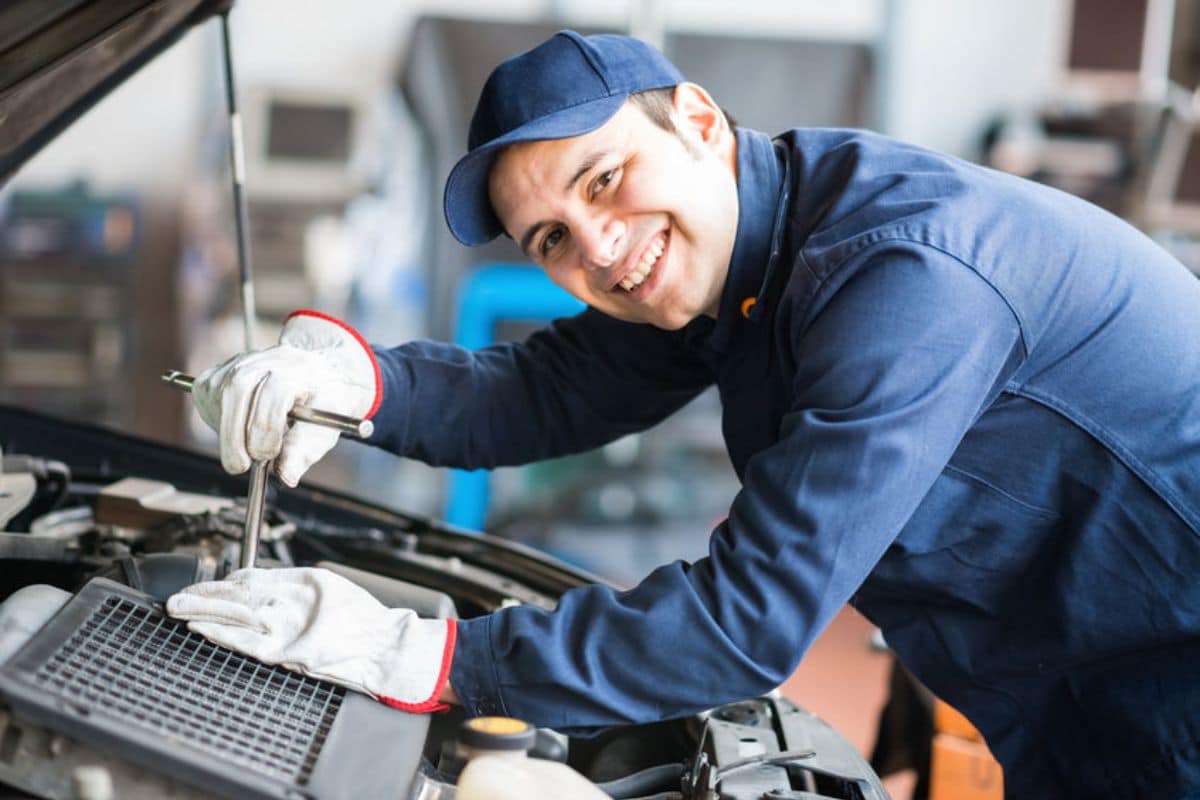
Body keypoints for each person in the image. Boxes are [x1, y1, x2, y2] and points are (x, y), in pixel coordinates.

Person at [166, 30, 1200, 798]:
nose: (600, 250)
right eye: (551, 240)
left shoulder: (900, 279)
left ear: (699, 121)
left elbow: (749, 618)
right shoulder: (738, 253)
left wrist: (432, 657)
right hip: (1070, 700)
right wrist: (363, 381)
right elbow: (546, 388)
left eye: (605, 180)